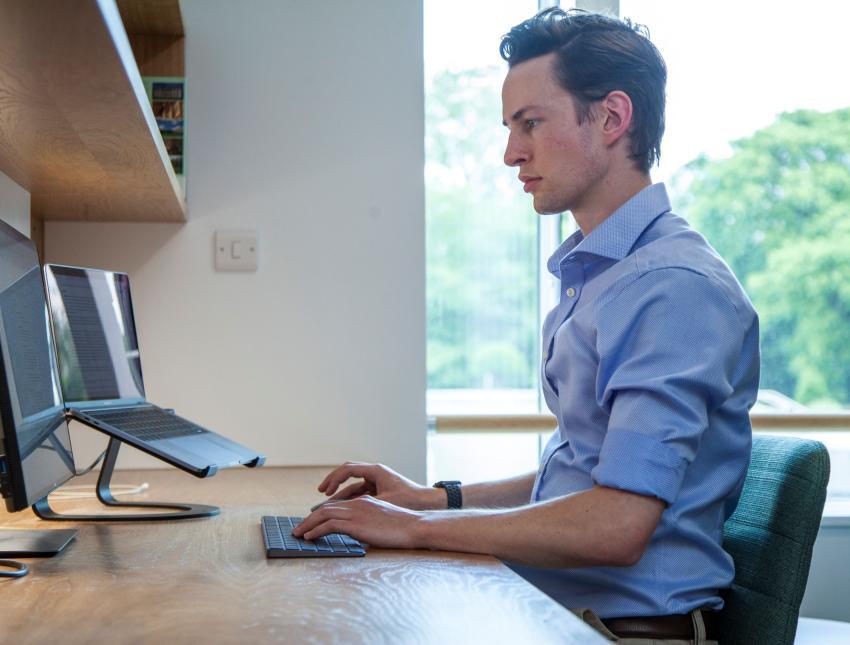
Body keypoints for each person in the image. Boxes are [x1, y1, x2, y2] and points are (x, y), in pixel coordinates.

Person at [293, 8, 759, 643]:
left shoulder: (672, 288)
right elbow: (586, 475)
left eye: (531, 124)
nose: (512, 152)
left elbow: (615, 523)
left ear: (613, 118)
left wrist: (413, 529)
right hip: (556, 610)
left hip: (619, 631)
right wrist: (430, 500)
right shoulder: (607, 275)